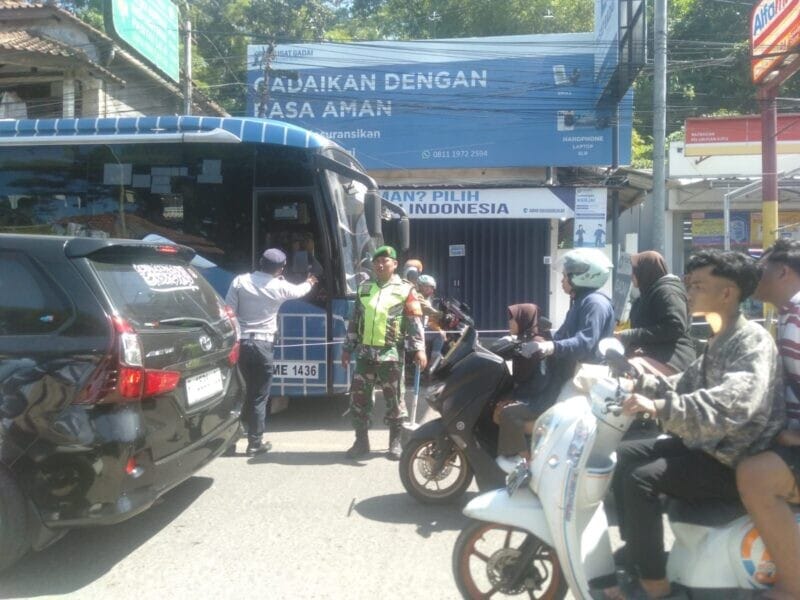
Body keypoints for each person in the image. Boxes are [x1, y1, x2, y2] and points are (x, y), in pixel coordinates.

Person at [602, 250, 784, 600]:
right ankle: (639, 549)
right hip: (709, 443)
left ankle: (655, 585)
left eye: (697, 285)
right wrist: (639, 382)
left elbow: (733, 402)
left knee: (641, 479)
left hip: (733, 456)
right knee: (622, 455)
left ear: (727, 293)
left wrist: (658, 406)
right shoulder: (721, 336)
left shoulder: (752, 340)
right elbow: (685, 383)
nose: (688, 293)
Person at [496, 248, 615, 464]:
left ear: (582, 276)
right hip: (563, 376)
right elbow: (563, 336)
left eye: (566, 275)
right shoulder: (582, 302)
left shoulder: (594, 303)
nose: (562, 280)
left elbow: (585, 342)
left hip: (576, 380)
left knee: (517, 415)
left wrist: (551, 346)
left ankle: (529, 465)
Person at [736, 239, 800, 600]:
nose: (754, 276)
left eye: (761, 270)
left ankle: (793, 587)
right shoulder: (788, 315)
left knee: (754, 475)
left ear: (783, 272)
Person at [225, 248, 318, 456]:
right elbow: (300, 291)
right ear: (281, 268)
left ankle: (228, 443)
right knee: (259, 396)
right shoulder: (280, 287)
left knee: (237, 394)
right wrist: (310, 281)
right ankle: (254, 444)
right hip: (263, 346)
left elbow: (229, 312)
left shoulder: (240, 281)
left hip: (241, 345)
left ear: (260, 262)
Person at [342, 246, 427, 460]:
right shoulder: (364, 289)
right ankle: (361, 442)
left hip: (391, 354)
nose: (380, 265)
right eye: (377, 261)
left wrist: (419, 349)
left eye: (385, 261)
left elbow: (414, 322)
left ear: (395, 264)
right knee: (358, 399)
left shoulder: (406, 290)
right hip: (364, 355)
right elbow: (354, 321)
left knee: (395, 400)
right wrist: (347, 349)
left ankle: (395, 443)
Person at [616, 251, 695, 375]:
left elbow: (675, 326)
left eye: (634, 270)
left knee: (631, 371)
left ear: (645, 270)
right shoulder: (645, 296)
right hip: (651, 355)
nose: (631, 275)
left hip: (673, 358)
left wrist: (631, 335)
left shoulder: (668, 291)